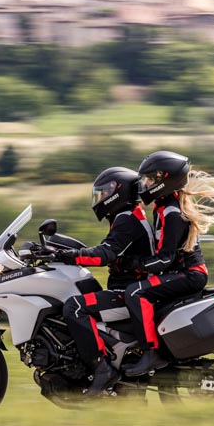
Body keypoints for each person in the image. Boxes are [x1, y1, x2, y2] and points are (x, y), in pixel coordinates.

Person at [121, 150, 214, 377]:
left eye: (150, 179)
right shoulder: (165, 207)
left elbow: (163, 259)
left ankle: (151, 353)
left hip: (189, 275)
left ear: (164, 181)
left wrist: (131, 264)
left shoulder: (172, 213)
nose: (144, 184)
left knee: (136, 293)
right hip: (183, 273)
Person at [49, 166, 156, 397]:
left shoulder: (128, 219)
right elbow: (108, 249)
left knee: (75, 307)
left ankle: (102, 368)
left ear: (119, 192)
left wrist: (70, 256)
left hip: (127, 291)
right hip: (126, 288)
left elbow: (105, 254)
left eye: (104, 193)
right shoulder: (127, 217)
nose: (100, 199)